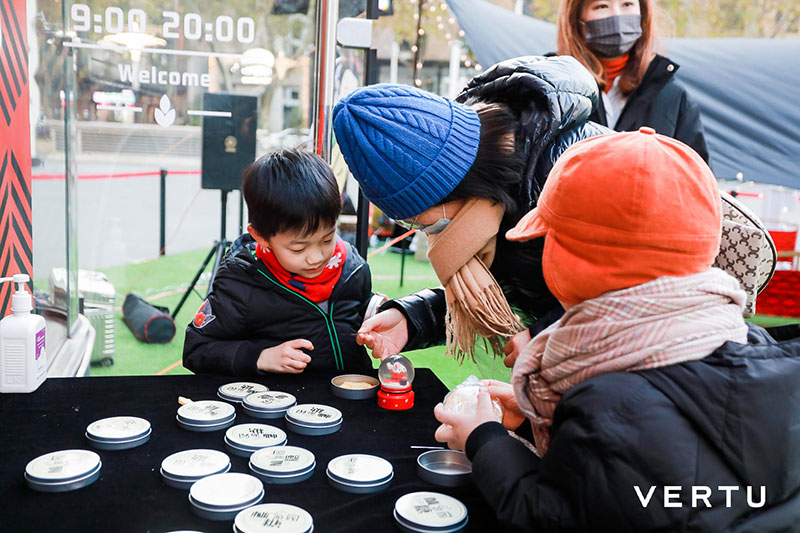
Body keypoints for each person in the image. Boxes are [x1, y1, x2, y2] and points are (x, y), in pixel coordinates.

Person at [432, 128, 800, 531]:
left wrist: (484, 440)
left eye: (551, 238)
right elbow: (649, 481)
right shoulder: (752, 344)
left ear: (581, 262)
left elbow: (551, 516)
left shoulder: (610, 402)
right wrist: (543, 425)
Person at [332, 56, 610, 366]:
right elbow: (497, 286)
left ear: (455, 186)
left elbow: (630, 291)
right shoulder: (485, 206)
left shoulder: (576, 170)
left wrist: (545, 336)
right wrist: (411, 319)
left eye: (419, 221)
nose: (421, 231)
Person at [183, 149, 381, 375]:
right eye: (299, 248)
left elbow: (352, 310)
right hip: (283, 396)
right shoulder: (241, 284)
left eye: (327, 239)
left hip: (352, 392)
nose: (316, 257)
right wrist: (259, 357)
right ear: (261, 237)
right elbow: (197, 349)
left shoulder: (352, 267)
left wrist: (375, 312)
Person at [557, 0, 711, 162]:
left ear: (642, 12)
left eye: (627, 4)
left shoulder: (672, 95)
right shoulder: (553, 88)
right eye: (602, 6)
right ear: (576, 17)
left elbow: (696, 171)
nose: (617, 15)